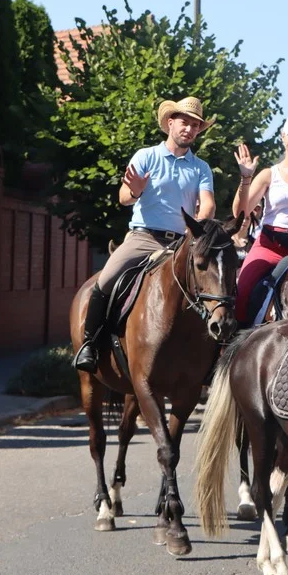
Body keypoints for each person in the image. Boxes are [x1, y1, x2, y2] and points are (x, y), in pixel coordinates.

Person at [74, 96, 216, 373]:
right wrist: (136, 190)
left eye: (195, 125)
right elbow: (124, 198)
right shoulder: (146, 156)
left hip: (180, 242)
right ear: (170, 123)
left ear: (199, 131)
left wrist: (200, 222)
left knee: (212, 287)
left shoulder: (201, 168)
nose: (189, 129)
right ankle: (90, 344)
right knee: (105, 280)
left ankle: (208, 357)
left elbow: (207, 203)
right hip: (143, 237)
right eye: (184, 122)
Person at [232, 114, 288, 327]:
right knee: (243, 290)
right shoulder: (268, 174)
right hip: (269, 246)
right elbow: (240, 211)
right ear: (283, 137)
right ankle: (231, 345)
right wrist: (246, 178)